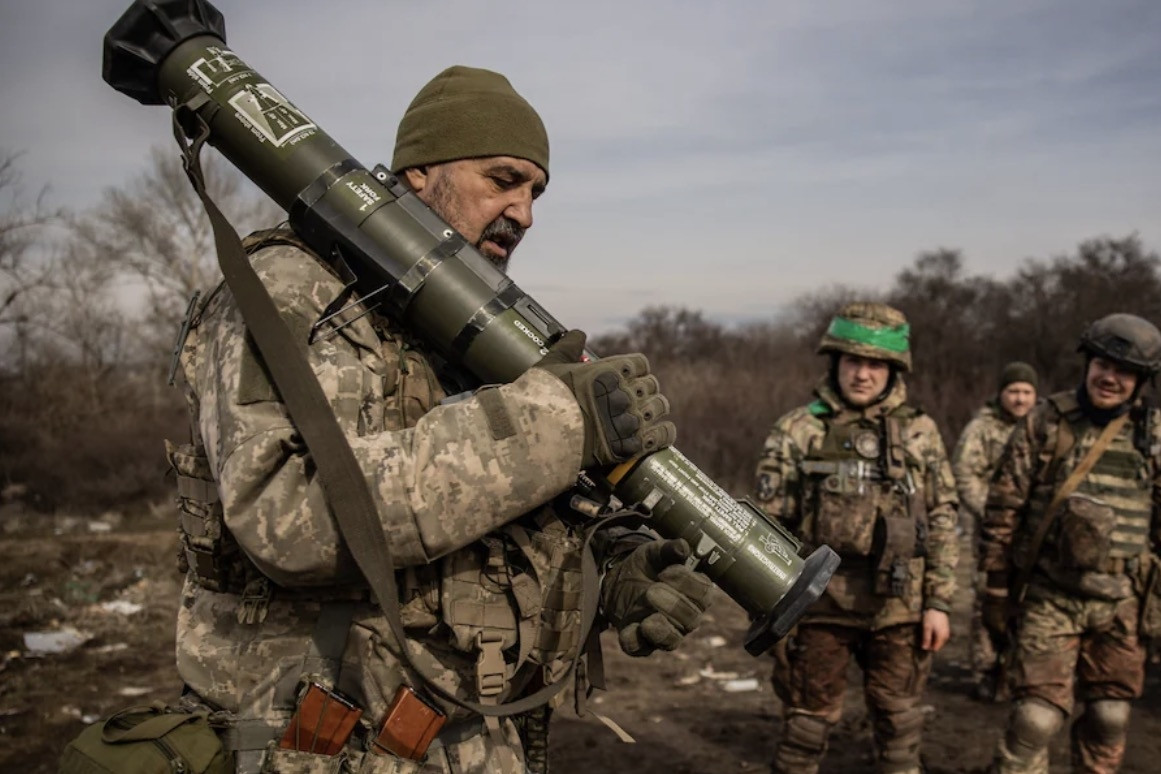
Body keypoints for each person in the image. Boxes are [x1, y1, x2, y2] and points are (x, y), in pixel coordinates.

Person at [166, 65, 715, 774]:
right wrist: (555, 421)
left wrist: (608, 576)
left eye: (535, 191)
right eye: (503, 179)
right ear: (419, 173)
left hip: (468, 743)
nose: (525, 212)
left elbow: (483, 529)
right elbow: (288, 517)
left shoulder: (464, 328)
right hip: (313, 749)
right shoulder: (291, 287)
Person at [753, 302, 959, 774]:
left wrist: (940, 604)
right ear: (835, 363)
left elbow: (943, 518)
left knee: (899, 727)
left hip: (899, 607)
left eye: (875, 364)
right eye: (853, 362)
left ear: (892, 370)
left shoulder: (920, 432)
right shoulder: (798, 429)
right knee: (806, 727)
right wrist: (771, 607)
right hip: (820, 606)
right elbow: (769, 525)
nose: (862, 374)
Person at [980, 314, 1161, 774]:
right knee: (1034, 719)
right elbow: (1003, 510)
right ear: (1088, 364)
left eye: (1124, 371)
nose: (1110, 378)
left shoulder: (1154, 437)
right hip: (1050, 594)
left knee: (1110, 715)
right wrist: (997, 590)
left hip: (1122, 601)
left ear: (1142, 380)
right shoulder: (1046, 421)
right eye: (1103, 364)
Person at [952, 361, 1039, 700]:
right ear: (1001, 393)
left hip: (1033, 531)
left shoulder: (1043, 427)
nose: (1020, 399)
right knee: (988, 596)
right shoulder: (982, 429)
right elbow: (964, 473)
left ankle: (1021, 670)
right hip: (992, 531)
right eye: (1014, 391)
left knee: (1031, 599)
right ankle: (986, 669)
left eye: (1026, 392)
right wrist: (992, 512)